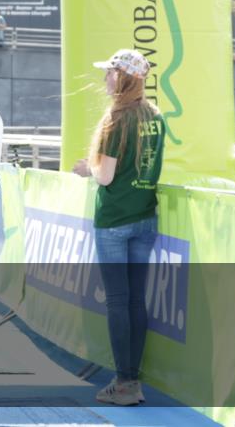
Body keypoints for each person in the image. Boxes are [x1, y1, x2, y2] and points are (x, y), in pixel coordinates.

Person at [73, 48, 165, 407]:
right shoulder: (155, 117)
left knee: (117, 301)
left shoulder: (116, 118)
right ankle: (133, 381)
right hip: (145, 217)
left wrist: (87, 169)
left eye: (110, 72)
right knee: (136, 300)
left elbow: (106, 175)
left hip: (113, 221)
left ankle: (125, 383)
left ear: (123, 77)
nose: (105, 78)